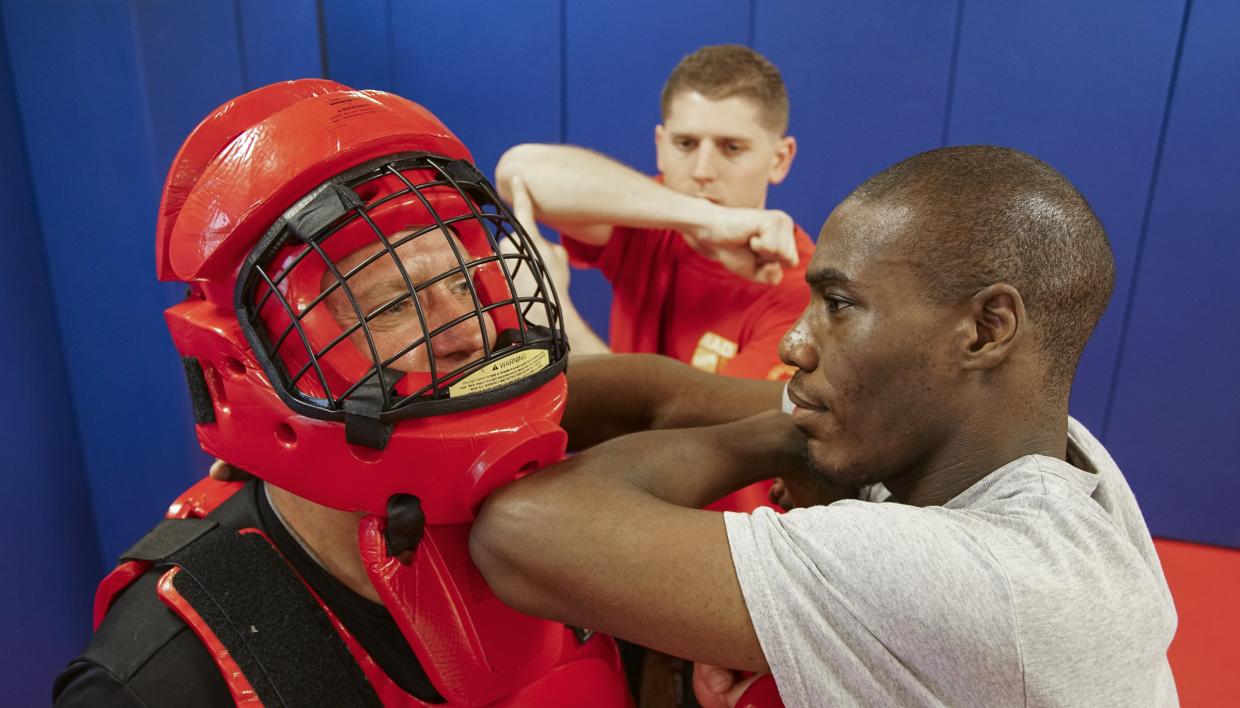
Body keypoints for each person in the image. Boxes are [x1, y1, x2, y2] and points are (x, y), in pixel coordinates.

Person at [470, 146, 1179, 707]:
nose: (796, 344)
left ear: (986, 328)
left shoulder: (986, 578)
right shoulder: (1046, 452)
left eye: (839, 305)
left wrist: (784, 441)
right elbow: (664, 394)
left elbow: (519, 533)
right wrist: (464, 393)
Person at [54, 79, 631, 707]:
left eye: (465, 286)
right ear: (248, 366)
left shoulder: (582, 534)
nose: (468, 335)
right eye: (389, 306)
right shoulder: (158, 681)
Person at [496, 44, 811, 382]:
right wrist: (708, 220)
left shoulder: (802, 295)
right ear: (661, 147)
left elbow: (687, 434)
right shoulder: (655, 213)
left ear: (780, 159)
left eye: (732, 148)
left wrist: (551, 317)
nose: (703, 170)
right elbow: (517, 171)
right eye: (685, 144)